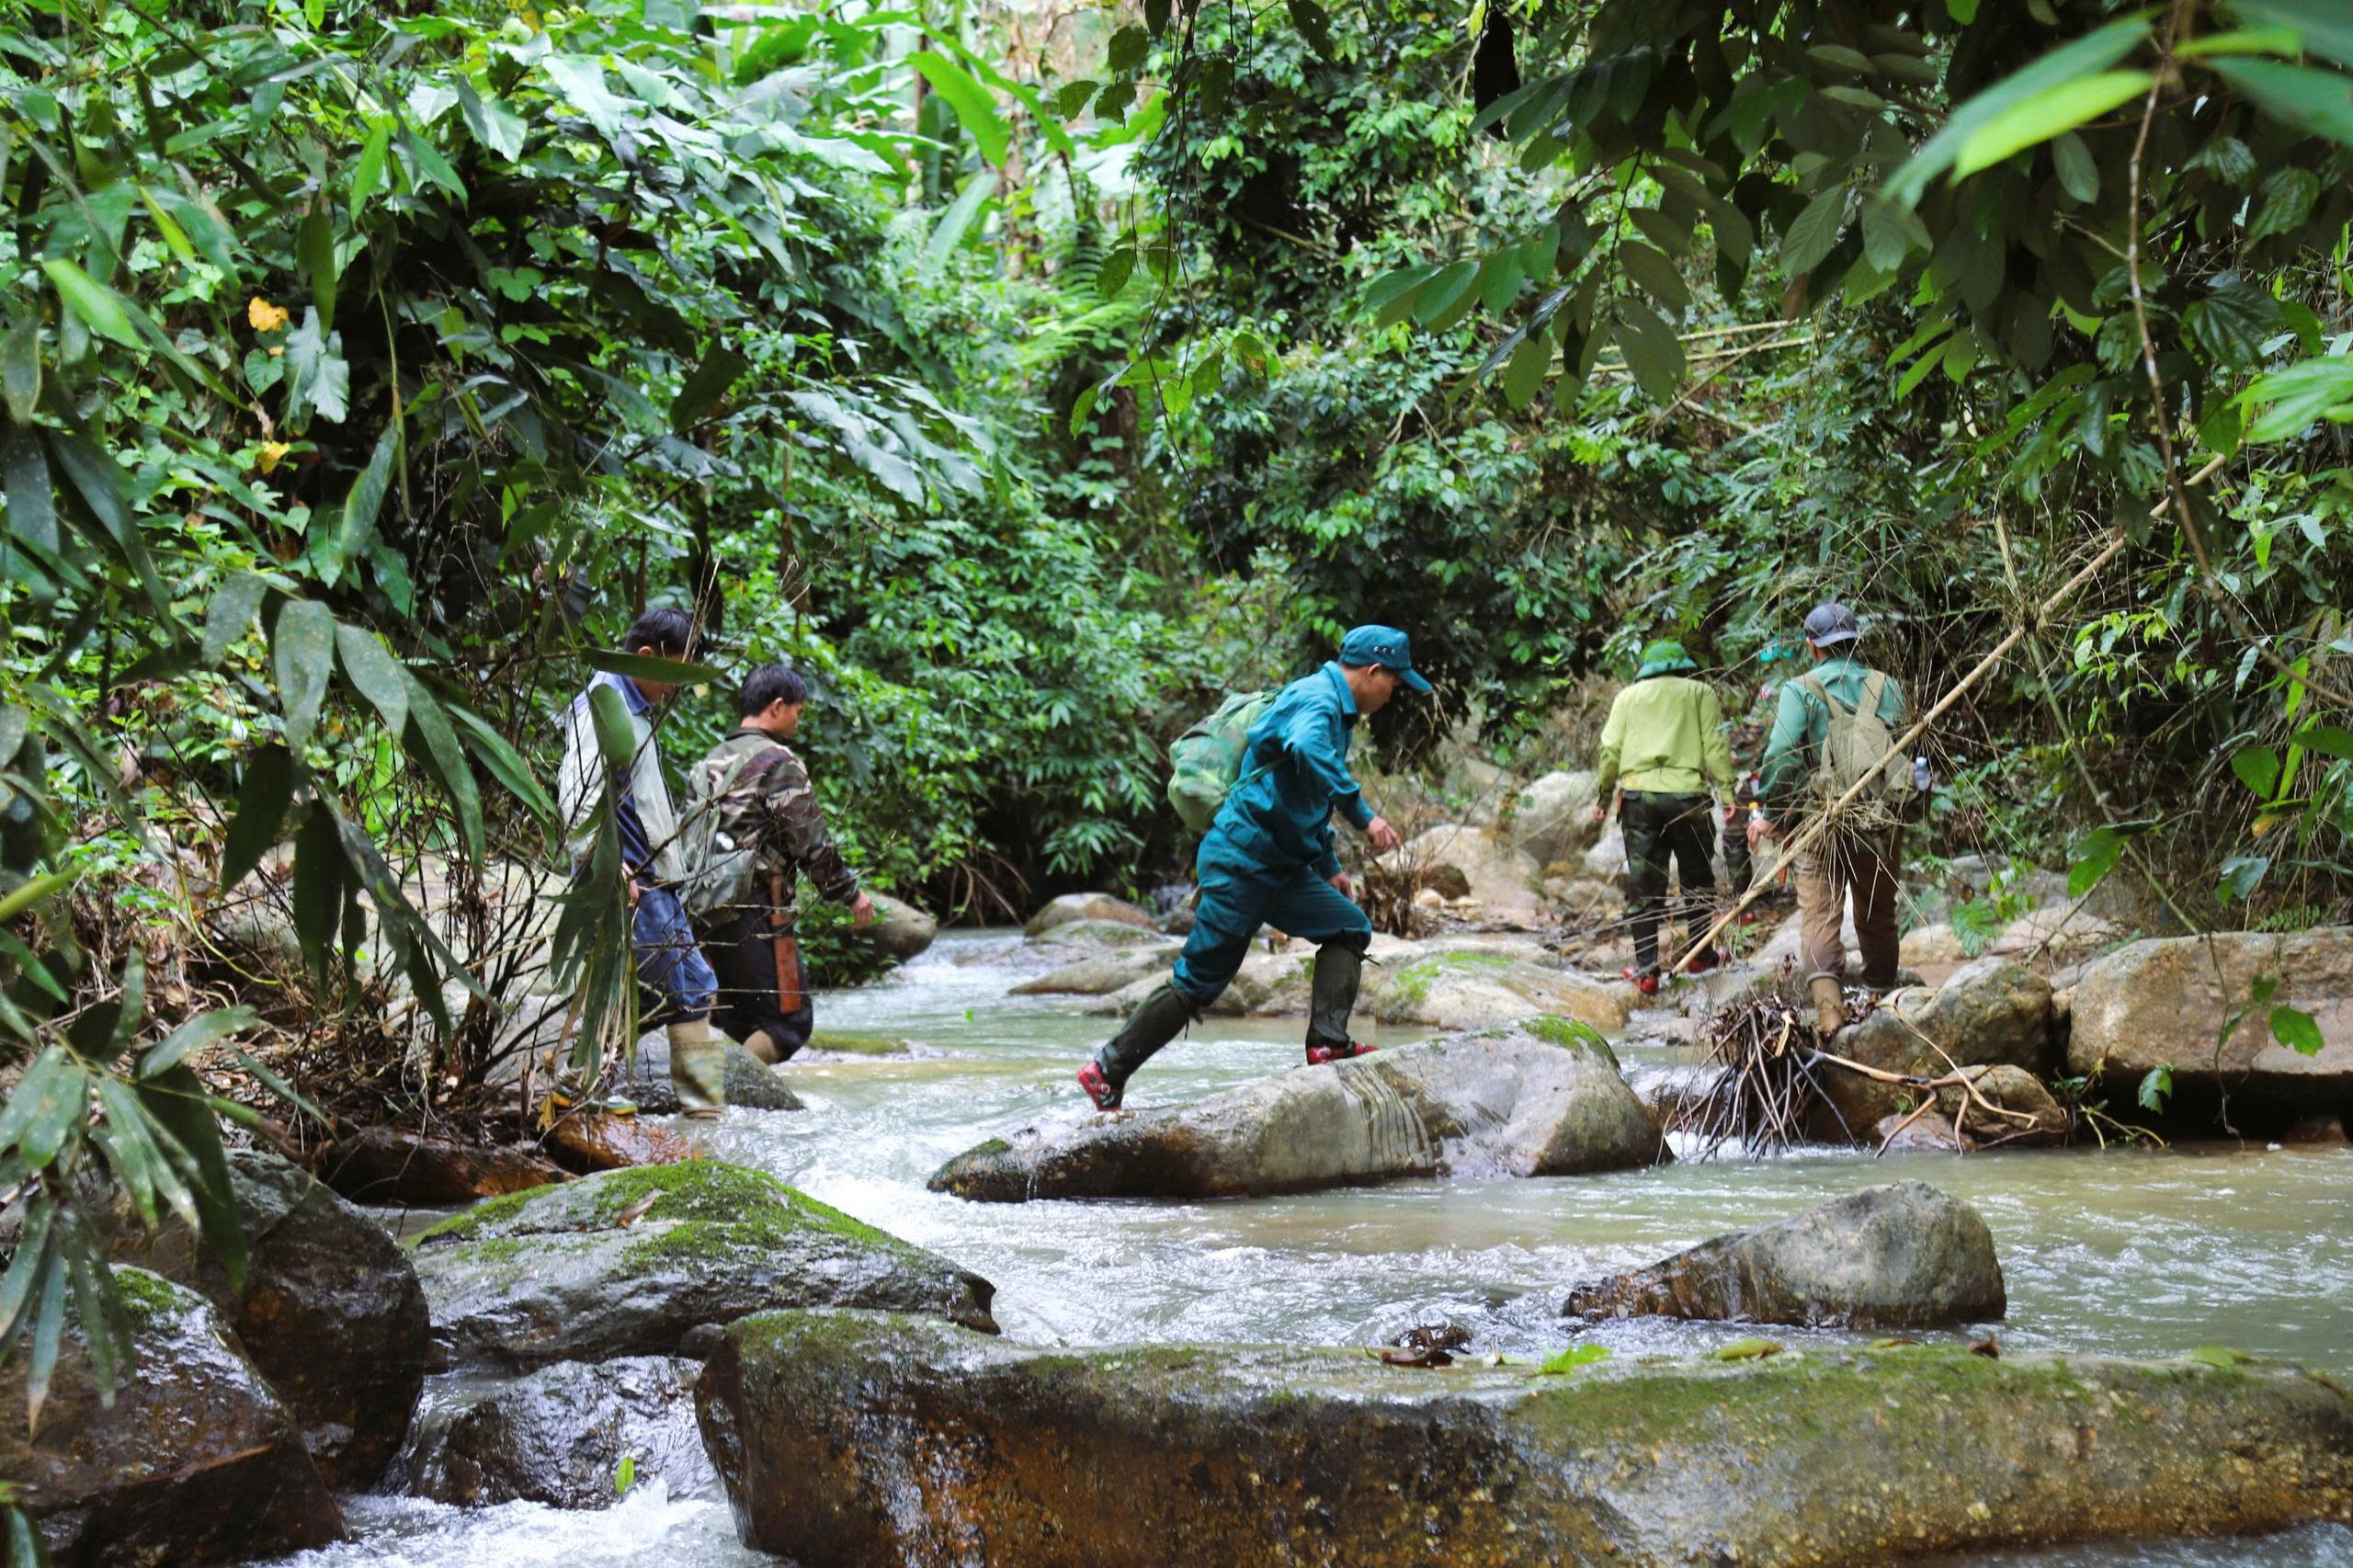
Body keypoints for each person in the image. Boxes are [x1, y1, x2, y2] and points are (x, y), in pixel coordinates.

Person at [1076, 626, 1426, 1110]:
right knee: (1200, 981)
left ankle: (1328, 1043)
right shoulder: (1319, 703)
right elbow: (1307, 752)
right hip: (1243, 860)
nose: (1394, 693)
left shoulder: (1334, 711)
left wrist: (1327, 864)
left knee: (1348, 927)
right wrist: (1365, 818)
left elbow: (1305, 792)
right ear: (1372, 672)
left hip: (1280, 864)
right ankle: (1106, 1070)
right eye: (1395, 683)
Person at [555, 607, 729, 1116]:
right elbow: (577, 792)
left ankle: (583, 1085)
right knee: (690, 985)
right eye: (675, 673)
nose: (675, 687)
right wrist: (606, 866)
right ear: (648, 657)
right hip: (629, 875)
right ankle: (705, 1115)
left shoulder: (626, 704)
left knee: (629, 983)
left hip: (640, 875)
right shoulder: (603, 702)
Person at [688, 663, 874, 1063]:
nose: (798, 721)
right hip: (755, 908)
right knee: (786, 1024)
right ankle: (719, 1099)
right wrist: (851, 895)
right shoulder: (777, 762)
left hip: (701, 908)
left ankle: (715, 1111)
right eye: (797, 711)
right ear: (776, 707)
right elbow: (811, 842)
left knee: (736, 1021)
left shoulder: (709, 763)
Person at [1750, 601, 1911, 1036]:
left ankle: (1830, 1017)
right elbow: (1909, 753)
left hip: (1822, 824)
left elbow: (1782, 754)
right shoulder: (1888, 686)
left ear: (1811, 646)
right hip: (1881, 821)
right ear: (1856, 642)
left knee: (1820, 916)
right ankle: (1881, 1010)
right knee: (1878, 914)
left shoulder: (1800, 689)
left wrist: (1769, 814)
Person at [1588, 639, 1733, 994]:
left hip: (1640, 800)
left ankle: (1647, 970)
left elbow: (1610, 751)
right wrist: (1727, 792)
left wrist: (1603, 796)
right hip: (1688, 798)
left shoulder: (1628, 697)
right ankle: (1701, 956)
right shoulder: (1700, 692)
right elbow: (1715, 745)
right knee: (1698, 881)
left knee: (1645, 887)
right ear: (1682, 665)